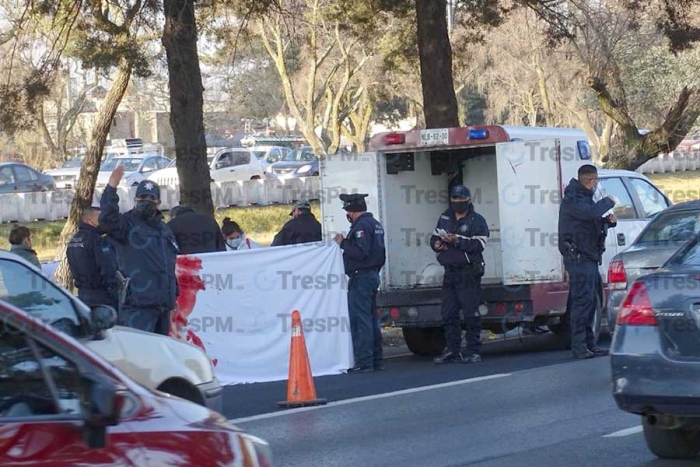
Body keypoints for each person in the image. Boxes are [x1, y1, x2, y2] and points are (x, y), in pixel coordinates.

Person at [99, 165, 179, 335]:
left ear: (158, 202)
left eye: (151, 198)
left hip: (163, 306)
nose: (146, 201)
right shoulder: (125, 225)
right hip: (138, 306)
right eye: (142, 197)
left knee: (160, 356)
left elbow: (170, 265)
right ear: (135, 199)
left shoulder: (165, 230)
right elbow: (107, 220)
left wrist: (173, 295)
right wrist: (111, 188)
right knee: (138, 356)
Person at [558, 164, 617, 359]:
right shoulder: (573, 198)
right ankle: (579, 346)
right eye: (596, 180)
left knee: (591, 302)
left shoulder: (584, 198)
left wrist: (606, 222)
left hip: (589, 257)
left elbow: (589, 221)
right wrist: (609, 202)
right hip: (578, 258)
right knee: (581, 302)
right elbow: (588, 213)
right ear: (592, 180)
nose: (596, 184)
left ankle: (590, 344)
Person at [430, 185, 490, 364]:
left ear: (468, 200)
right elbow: (433, 237)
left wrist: (457, 240)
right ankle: (452, 349)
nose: (457, 203)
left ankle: (473, 350)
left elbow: (479, 245)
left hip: (468, 272)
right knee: (448, 313)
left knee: (471, 313)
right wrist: (436, 245)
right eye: (454, 200)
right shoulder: (445, 217)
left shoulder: (477, 220)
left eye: (460, 200)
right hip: (449, 272)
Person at [334, 193, 386, 373]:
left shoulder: (361, 226)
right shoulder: (375, 224)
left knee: (361, 320)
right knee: (372, 320)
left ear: (350, 211)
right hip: (371, 275)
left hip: (361, 277)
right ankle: (376, 359)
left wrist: (343, 243)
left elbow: (360, 252)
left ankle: (364, 361)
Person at [66, 207, 119, 309]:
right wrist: (114, 289)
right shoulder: (96, 240)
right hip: (101, 295)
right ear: (88, 220)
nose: (103, 222)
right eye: (99, 219)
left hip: (83, 293)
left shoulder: (74, 239)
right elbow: (108, 266)